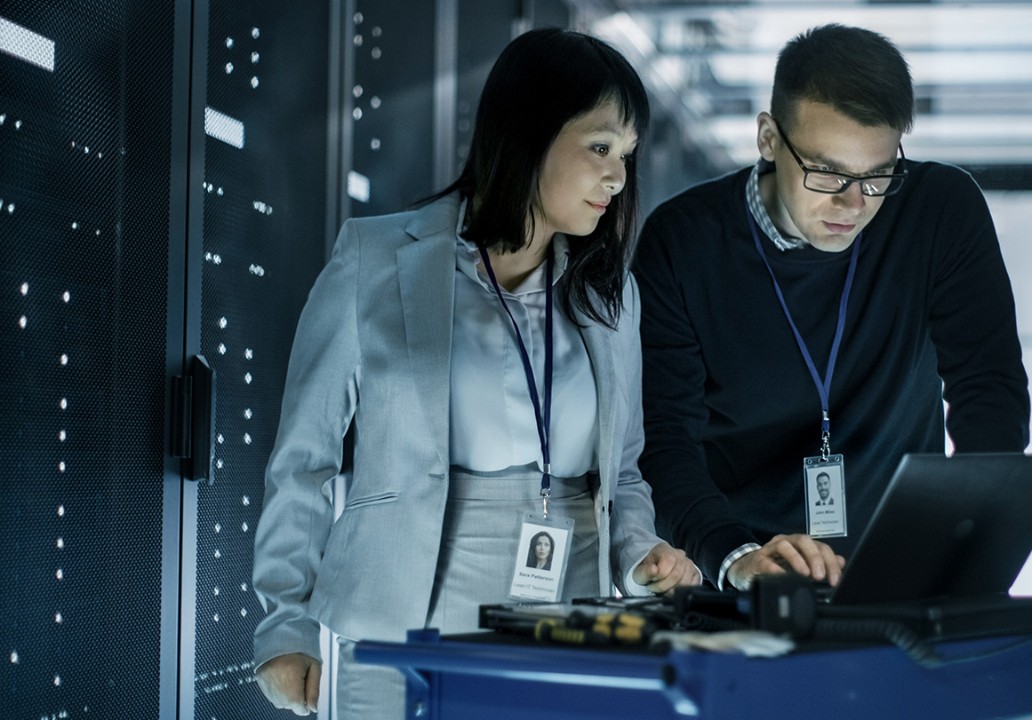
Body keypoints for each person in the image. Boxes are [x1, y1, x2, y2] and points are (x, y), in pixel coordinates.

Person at [252, 27, 701, 718]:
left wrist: (640, 557)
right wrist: (284, 623)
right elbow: (302, 461)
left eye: (628, 156)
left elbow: (624, 475)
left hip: (567, 623)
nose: (617, 177)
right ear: (528, 133)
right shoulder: (373, 260)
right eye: (600, 147)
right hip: (400, 620)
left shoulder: (612, 297)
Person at [633, 24, 1030, 592]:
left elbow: (987, 388)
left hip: (901, 565)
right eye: (827, 173)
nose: (852, 203)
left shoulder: (939, 211)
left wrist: (972, 544)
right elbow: (665, 439)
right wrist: (735, 556)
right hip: (743, 567)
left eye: (877, 175)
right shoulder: (684, 241)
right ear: (769, 139)